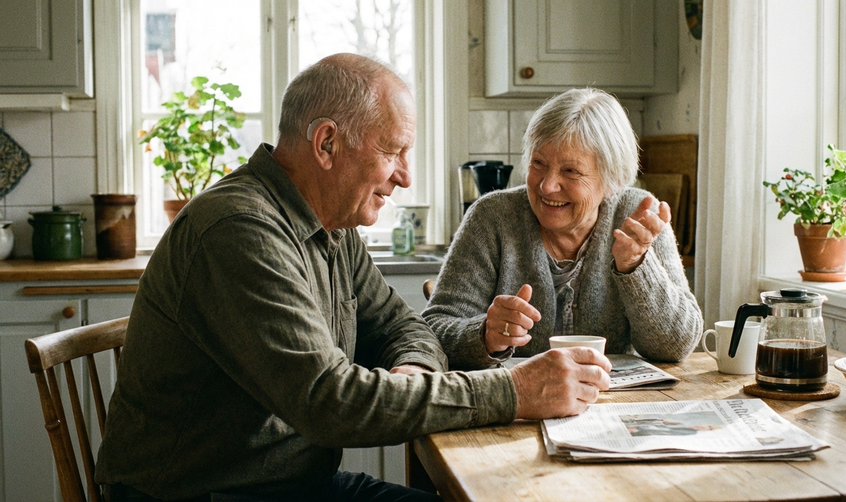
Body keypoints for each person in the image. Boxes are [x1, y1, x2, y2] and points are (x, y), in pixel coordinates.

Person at [94, 54, 611, 502]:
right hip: (204, 496)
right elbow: (328, 402)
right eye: (393, 151)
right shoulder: (240, 231)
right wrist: (513, 390)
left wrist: (412, 369)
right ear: (326, 144)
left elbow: (407, 329)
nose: (405, 175)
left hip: (291, 488)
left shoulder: (330, 229)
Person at [422, 88, 702, 371]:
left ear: (611, 180)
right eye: (538, 163)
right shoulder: (492, 217)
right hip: (517, 406)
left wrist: (636, 267)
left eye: (570, 171)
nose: (546, 185)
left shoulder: (638, 218)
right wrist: (483, 335)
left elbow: (675, 346)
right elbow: (433, 331)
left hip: (611, 404)